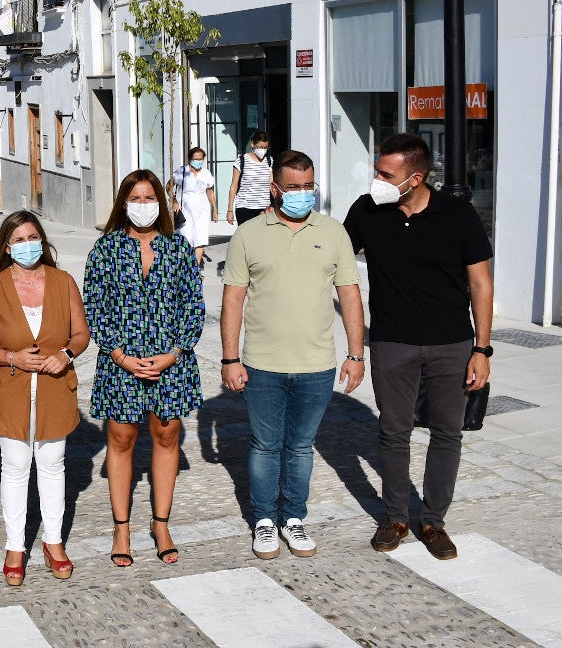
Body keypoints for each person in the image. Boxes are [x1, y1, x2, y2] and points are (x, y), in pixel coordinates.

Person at [344, 133, 493, 560]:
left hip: (452, 344)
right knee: (394, 432)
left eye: (386, 174)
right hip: (392, 343)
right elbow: (331, 258)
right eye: (377, 171)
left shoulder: (457, 213)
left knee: (447, 433)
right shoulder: (366, 210)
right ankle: (395, 518)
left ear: (416, 178)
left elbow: (481, 283)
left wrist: (482, 350)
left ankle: (433, 521)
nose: (377, 180)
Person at [220, 150, 366, 560]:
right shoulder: (249, 234)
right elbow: (233, 299)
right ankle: (265, 520)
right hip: (262, 364)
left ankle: (294, 517)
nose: (303, 193)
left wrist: (356, 355)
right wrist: (230, 358)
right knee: (265, 445)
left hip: (317, 365)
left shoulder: (334, 232)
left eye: (308, 186)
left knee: (301, 447)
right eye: (294, 187)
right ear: (275, 188)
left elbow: (350, 295)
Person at [84, 170, 203, 567]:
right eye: (134, 198)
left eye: (149, 197)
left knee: (167, 435)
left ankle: (161, 523)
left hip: (171, 360)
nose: (142, 205)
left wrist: (174, 353)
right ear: (123, 203)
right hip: (121, 361)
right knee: (120, 438)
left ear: (161, 202)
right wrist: (120, 355)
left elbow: (193, 304)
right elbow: (94, 306)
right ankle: (122, 528)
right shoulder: (105, 249)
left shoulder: (178, 247)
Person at [0, 211, 90, 584]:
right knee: (15, 466)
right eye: (19, 240)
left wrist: (65, 355)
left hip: (56, 388)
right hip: (11, 389)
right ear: (7, 247)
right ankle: (15, 546)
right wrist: (11, 357)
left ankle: (53, 542)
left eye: (33, 237)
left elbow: (81, 334)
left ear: (43, 240)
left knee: (53, 464)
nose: (27, 245)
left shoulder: (62, 281)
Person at [169, 146, 218, 267]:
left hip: (202, 209)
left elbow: (210, 192)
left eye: (200, 159)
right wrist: (174, 201)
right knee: (186, 239)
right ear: (190, 159)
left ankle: (194, 269)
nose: (198, 161)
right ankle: (184, 267)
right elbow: (168, 187)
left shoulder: (206, 173)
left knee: (200, 239)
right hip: (185, 209)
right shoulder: (182, 172)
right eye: (196, 159)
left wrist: (215, 209)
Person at [226, 130, 273, 227]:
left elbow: (271, 184)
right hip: (245, 207)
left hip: (264, 208)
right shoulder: (241, 161)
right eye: (260, 147)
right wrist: (230, 210)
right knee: (246, 235)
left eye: (266, 148)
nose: (263, 150)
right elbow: (234, 186)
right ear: (253, 144)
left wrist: (275, 205)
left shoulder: (269, 160)